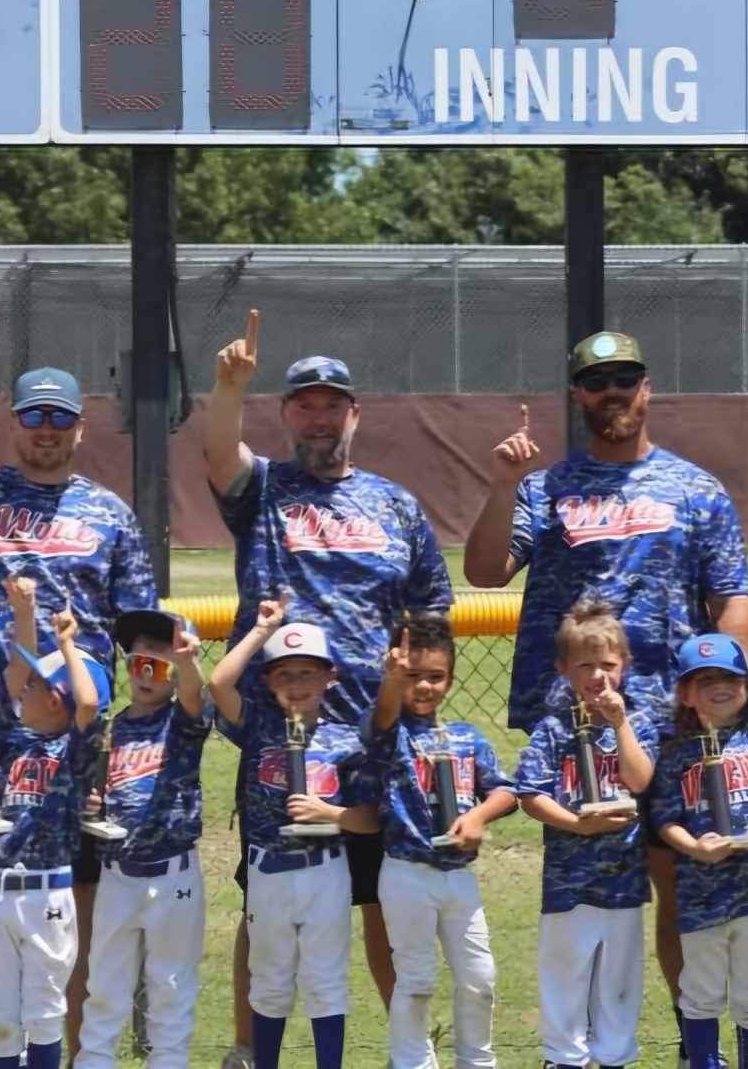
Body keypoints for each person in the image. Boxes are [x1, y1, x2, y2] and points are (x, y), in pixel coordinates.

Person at [465, 329, 748, 1062]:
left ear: (648, 387)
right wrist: (502, 485)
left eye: (625, 378)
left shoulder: (695, 489)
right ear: (578, 396)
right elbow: (486, 570)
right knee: (589, 894)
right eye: (598, 382)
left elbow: (729, 601)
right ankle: (583, 1047)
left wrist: (734, 696)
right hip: (574, 729)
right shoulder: (545, 487)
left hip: (671, 720)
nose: (613, 392)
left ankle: (698, 1045)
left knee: (684, 884)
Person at [205, 309, 453, 1068]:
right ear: (285, 415)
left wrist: (408, 690)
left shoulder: (394, 504)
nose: (319, 415)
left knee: (383, 898)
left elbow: (431, 609)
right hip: (279, 731)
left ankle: (410, 1046)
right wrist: (227, 390)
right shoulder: (265, 490)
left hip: (369, 728)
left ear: (354, 413)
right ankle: (253, 1048)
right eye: (304, 403)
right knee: (266, 897)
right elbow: (219, 455)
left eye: (331, 403)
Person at [0, 343, 160, 1052]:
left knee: (65, 905)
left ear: (80, 429)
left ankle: (70, 1050)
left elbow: (142, 627)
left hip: (72, 729)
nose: (46, 429)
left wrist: (134, 719)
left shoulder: (111, 515)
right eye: (33, 416)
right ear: (15, 425)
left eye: (61, 418)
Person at [209, 605, 383, 1069]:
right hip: (268, 870)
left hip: (324, 870)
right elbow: (218, 685)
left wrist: (332, 812)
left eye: (308, 672)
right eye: (283, 673)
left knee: (325, 982)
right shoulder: (259, 728)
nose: (296, 682)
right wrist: (262, 629)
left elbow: (372, 819)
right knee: (268, 980)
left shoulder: (346, 740)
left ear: (331, 677)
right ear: (267, 680)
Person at [646, 566, 748, 1069]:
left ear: (744, 687)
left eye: (729, 678)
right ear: (685, 693)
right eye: (705, 682)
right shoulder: (675, 752)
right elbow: (664, 819)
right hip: (700, 890)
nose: (720, 688)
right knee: (701, 992)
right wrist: (692, 847)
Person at [0, 577, 107, 1069]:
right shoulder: (14, 738)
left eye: (36, 686)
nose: (22, 691)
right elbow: (13, 671)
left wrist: (67, 644)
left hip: (45, 892)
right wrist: (25, 616)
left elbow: (88, 705)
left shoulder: (75, 750)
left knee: (44, 1013)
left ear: (55, 698)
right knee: (1, 1015)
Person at [367, 615, 517, 1069]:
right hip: (407, 873)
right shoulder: (387, 734)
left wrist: (478, 815)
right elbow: (382, 718)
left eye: (435, 676)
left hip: (458, 876)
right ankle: (413, 1061)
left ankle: (477, 1061)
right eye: (413, 676)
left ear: (450, 679)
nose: (424, 686)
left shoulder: (467, 737)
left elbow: (506, 791)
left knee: (480, 976)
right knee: (415, 978)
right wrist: (392, 681)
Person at [514, 600, 657, 1069]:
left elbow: (640, 781)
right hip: (568, 884)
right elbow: (530, 794)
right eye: (585, 665)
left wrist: (619, 725)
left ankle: (615, 1055)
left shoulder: (638, 724)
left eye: (608, 664)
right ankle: (563, 1058)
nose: (598, 675)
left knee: (619, 981)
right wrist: (577, 823)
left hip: (623, 882)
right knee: (565, 976)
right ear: (563, 669)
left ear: (625, 666)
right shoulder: (553, 729)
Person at [76, 608, 211, 1069]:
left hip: (174, 875)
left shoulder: (183, 722)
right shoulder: (108, 729)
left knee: (171, 989)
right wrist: (91, 807)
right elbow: (96, 792)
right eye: (139, 658)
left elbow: (196, 697)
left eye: (162, 659)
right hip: (117, 875)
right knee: (105, 989)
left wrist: (190, 663)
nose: (148, 669)